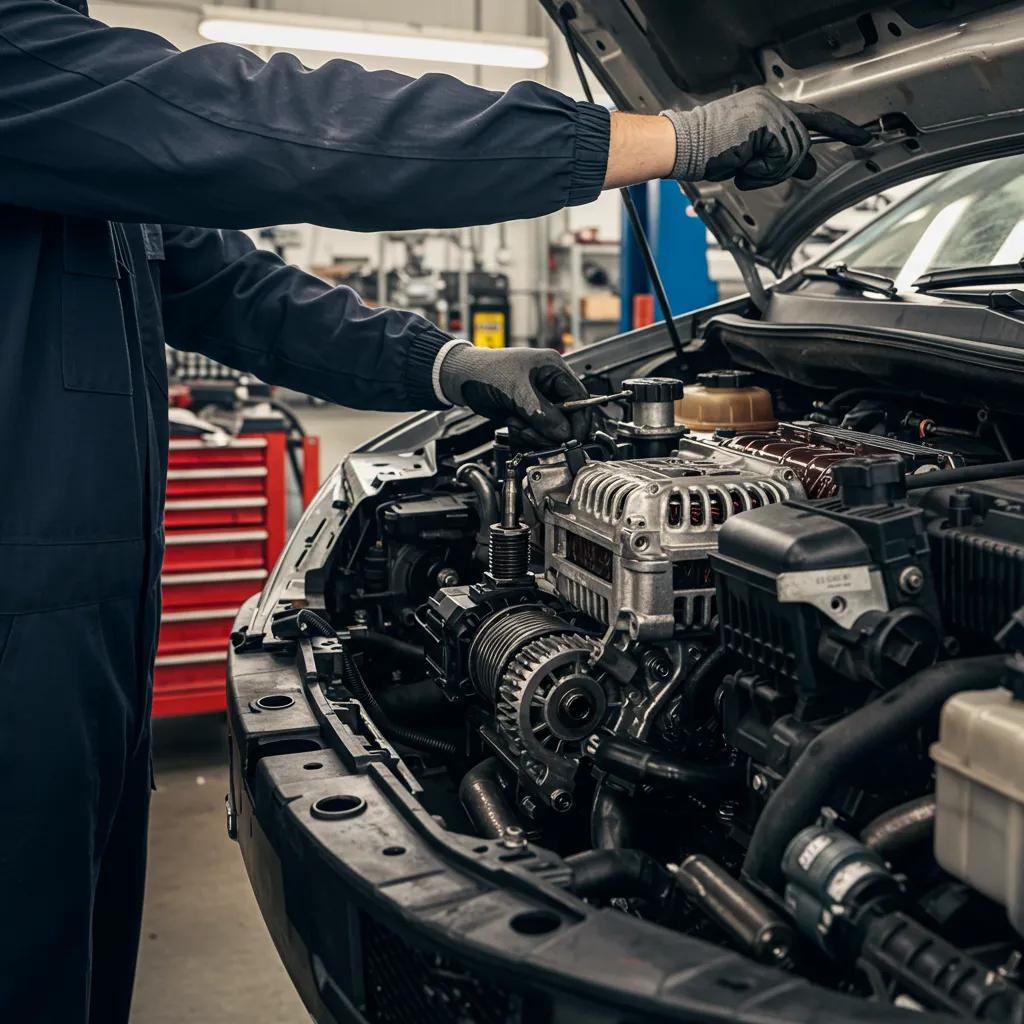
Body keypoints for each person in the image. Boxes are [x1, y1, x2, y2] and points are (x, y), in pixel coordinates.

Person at [0, 0, 869, 1019]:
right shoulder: (25, 59)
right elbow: (271, 124)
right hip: (27, 644)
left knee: (69, 952)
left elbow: (237, 293)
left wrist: (446, 365)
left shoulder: (64, 94)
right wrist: (666, 142)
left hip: (82, 645)